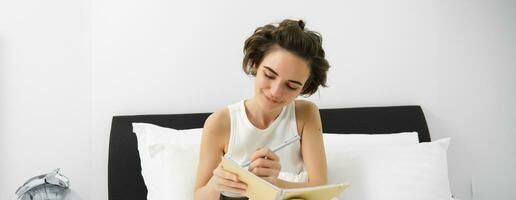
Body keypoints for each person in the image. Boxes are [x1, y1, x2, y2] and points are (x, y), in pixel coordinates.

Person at [194, 19, 330, 200]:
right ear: (255, 64)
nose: (275, 92)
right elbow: (199, 195)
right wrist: (214, 186)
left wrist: (274, 184)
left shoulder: (306, 114)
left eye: (291, 86)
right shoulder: (220, 123)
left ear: (303, 88)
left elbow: (320, 188)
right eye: (269, 75)